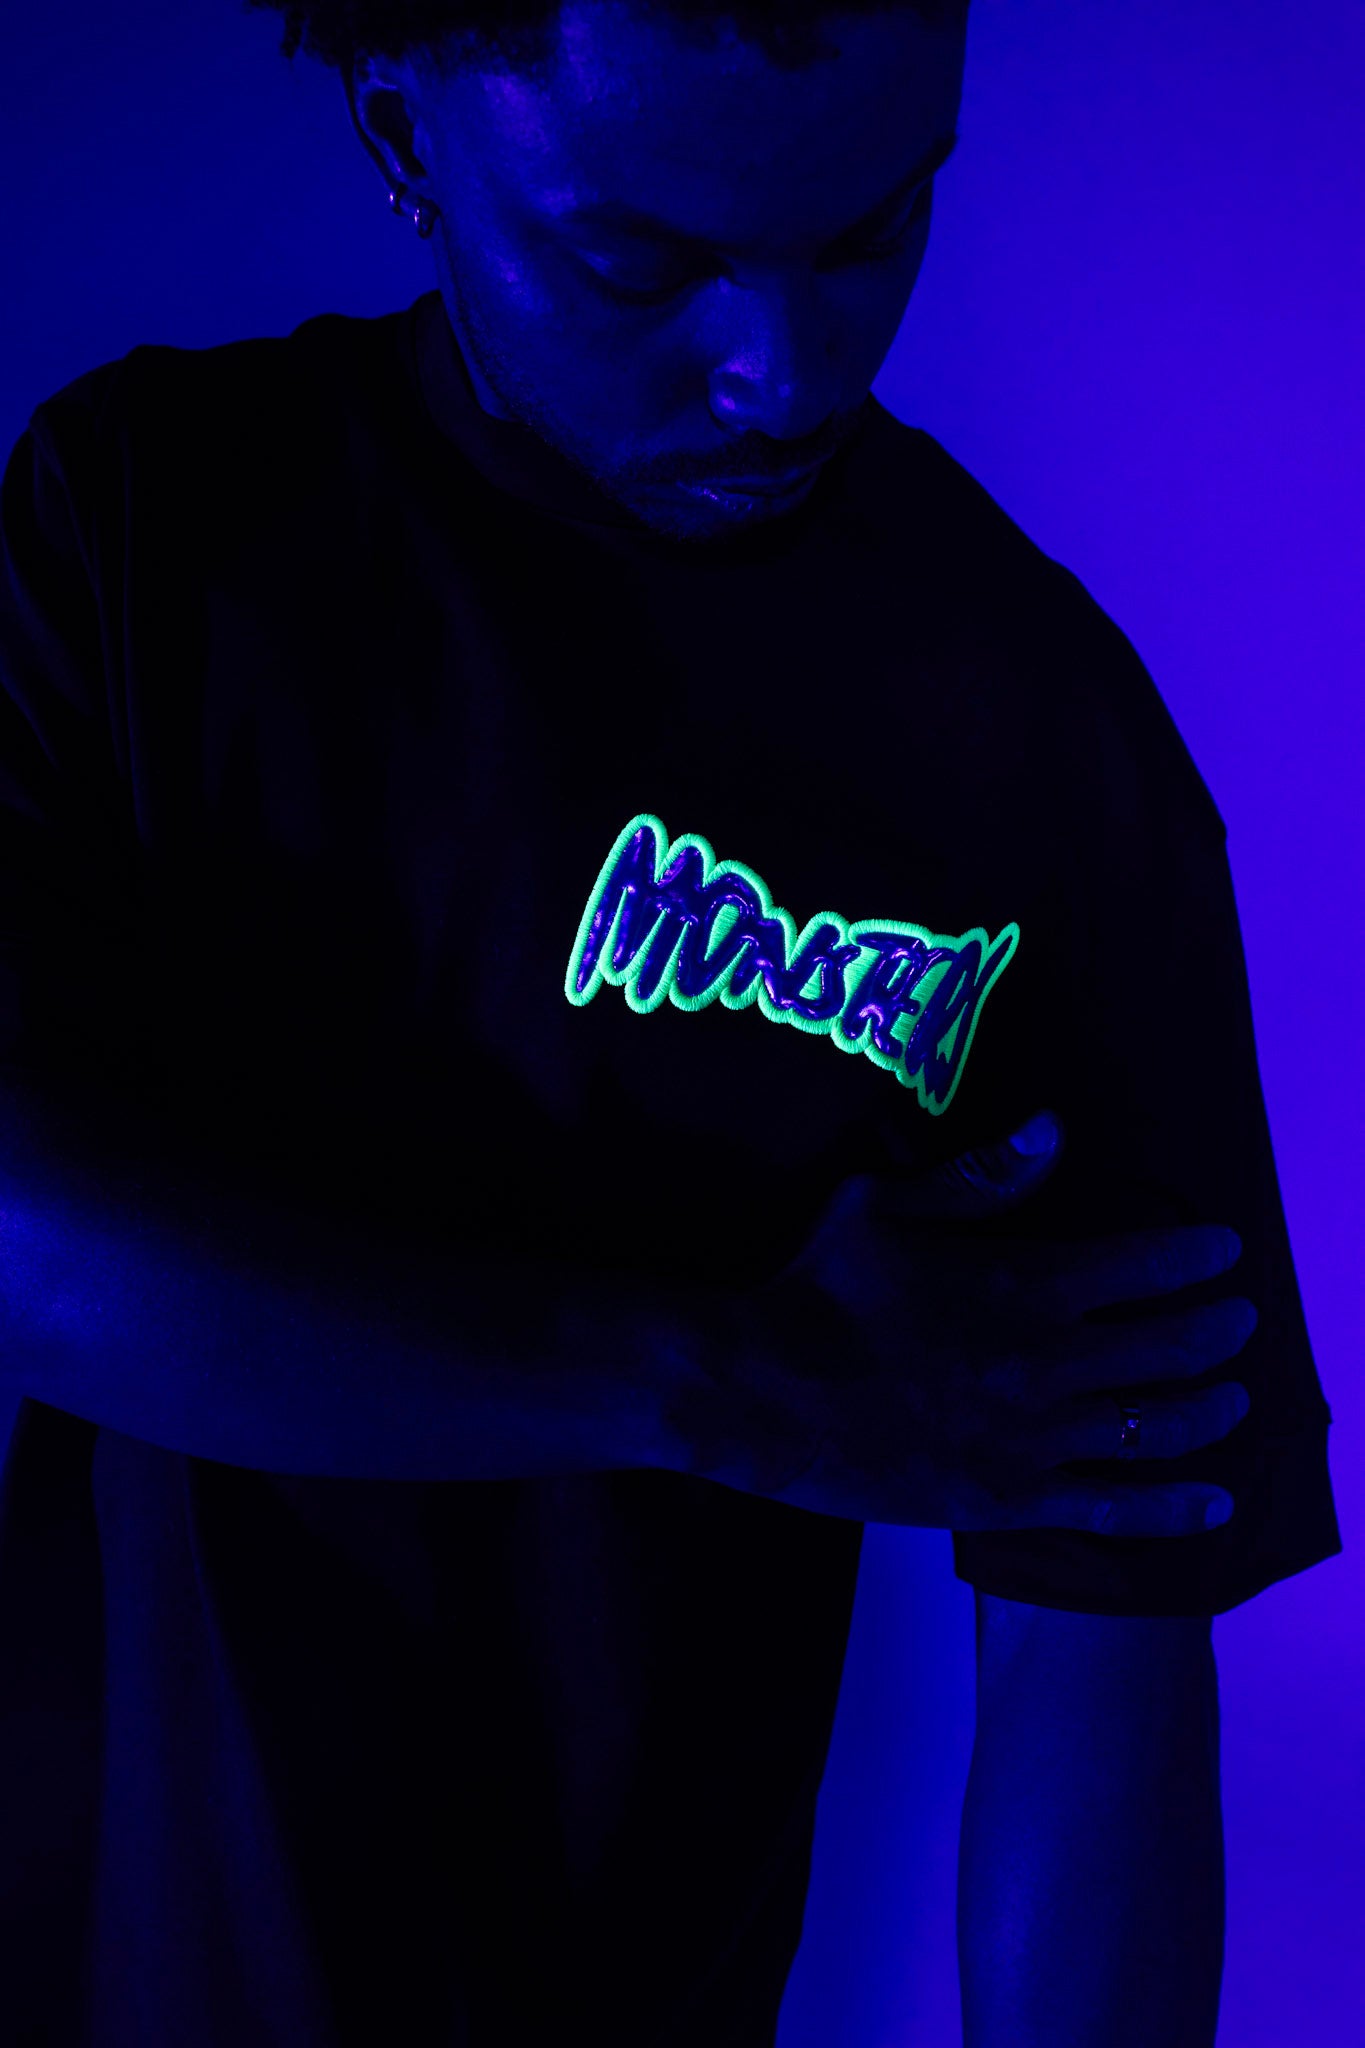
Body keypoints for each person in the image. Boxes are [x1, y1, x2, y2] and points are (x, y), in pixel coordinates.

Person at [0, 2, 1340, 2043]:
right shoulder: (144, 527)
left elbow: (1114, 1593)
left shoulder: (1043, 742)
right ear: (403, 135)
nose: (782, 369)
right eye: (641, 260)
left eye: (871, 229)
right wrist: (723, 1382)